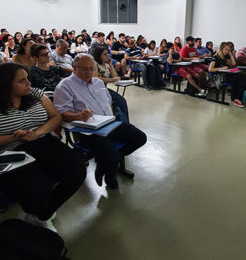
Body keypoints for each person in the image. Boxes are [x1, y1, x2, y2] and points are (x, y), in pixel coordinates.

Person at [0, 63, 86, 232]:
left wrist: (37, 133)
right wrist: (15, 136)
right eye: (22, 81)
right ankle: (41, 212)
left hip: (41, 140)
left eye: (28, 79)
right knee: (39, 191)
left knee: (77, 171)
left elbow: (55, 117)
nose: (28, 84)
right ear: (6, 84)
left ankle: (42, 215)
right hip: (11, 151)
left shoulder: (34, 94)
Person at [54, 54, 146, 189]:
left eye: (91, 69)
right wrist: (79, 116)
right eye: (85, 69)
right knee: (112, 154)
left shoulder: (97, 82)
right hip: (89, 130)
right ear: (74, 68)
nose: (89, 72)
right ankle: (110, 175)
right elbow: (63, 114)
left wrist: (109, 113)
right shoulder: (65, 86)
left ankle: (104, 164)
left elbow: (108, 101)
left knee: (140, 138)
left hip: (110, 123)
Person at [209, 42, 246, 108]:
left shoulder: (224, 57)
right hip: (218, 77)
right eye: (226, 49)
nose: (227, 51)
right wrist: (221, 68)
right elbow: (210, 69)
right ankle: (236, 98)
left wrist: (230, 54)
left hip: (225, 75)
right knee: (238, 79)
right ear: (221, 49)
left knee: (243, 76)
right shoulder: (215, 57)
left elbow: (233, 64)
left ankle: (245, 94)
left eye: (228, 50)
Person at [92, 46, 129, 122]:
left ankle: (125, 123)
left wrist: (110, 64)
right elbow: (96, 78)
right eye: (105, 54)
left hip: (104, 89)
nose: (107, 56)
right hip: (96, 90)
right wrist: (112, 80)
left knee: (122, 102)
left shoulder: (106, 65)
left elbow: (115, 77)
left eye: (107, 54)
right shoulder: (94, 64)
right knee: (120, 102)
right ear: (99, 56)